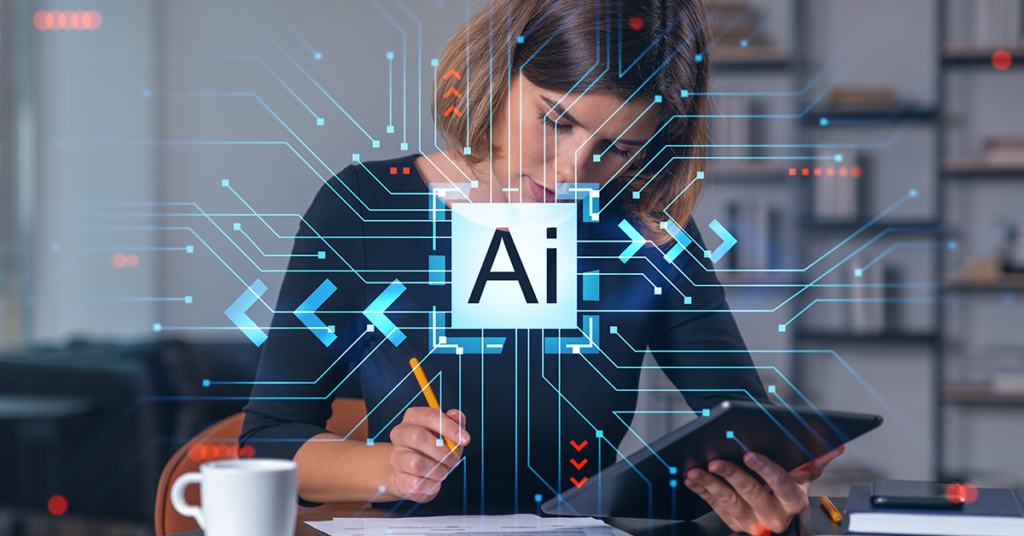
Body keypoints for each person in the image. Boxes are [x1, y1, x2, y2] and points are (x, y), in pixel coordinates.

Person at [240, 0, 844, 533]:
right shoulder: (364, 209)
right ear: (501, 73)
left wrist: (766, 487)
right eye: (557, 120)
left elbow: (744, 429)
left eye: (619, 148)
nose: (571, 173)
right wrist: (387, 468)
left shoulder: (650, 234)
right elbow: (269, 441)